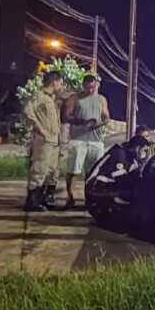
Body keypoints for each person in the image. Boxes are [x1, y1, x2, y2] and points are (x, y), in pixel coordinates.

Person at [61, 74, 109, 210]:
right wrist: (81, 122)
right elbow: (66, 116)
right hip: (78, 140)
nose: (91, 90)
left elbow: (107, 117)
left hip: (96, 141)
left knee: (93, 172)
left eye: (93, 87)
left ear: (96, 86)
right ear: (83, 86)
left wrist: (97, 124)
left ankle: (90, 199)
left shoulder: (101, 99)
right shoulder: (74, 98)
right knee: (73, 171)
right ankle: (70, 197)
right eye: (88, 88)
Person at [22, 70, 64, 211]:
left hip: (54, 141)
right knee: (39, 169)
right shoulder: (39, 96)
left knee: (51, 171)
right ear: (54, 81)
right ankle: (32, 202)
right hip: (44, 140)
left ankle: (43, 199)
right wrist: (41, 129)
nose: (61, 86)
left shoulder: (51, 98)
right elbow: (28, 112)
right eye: (60, 82)